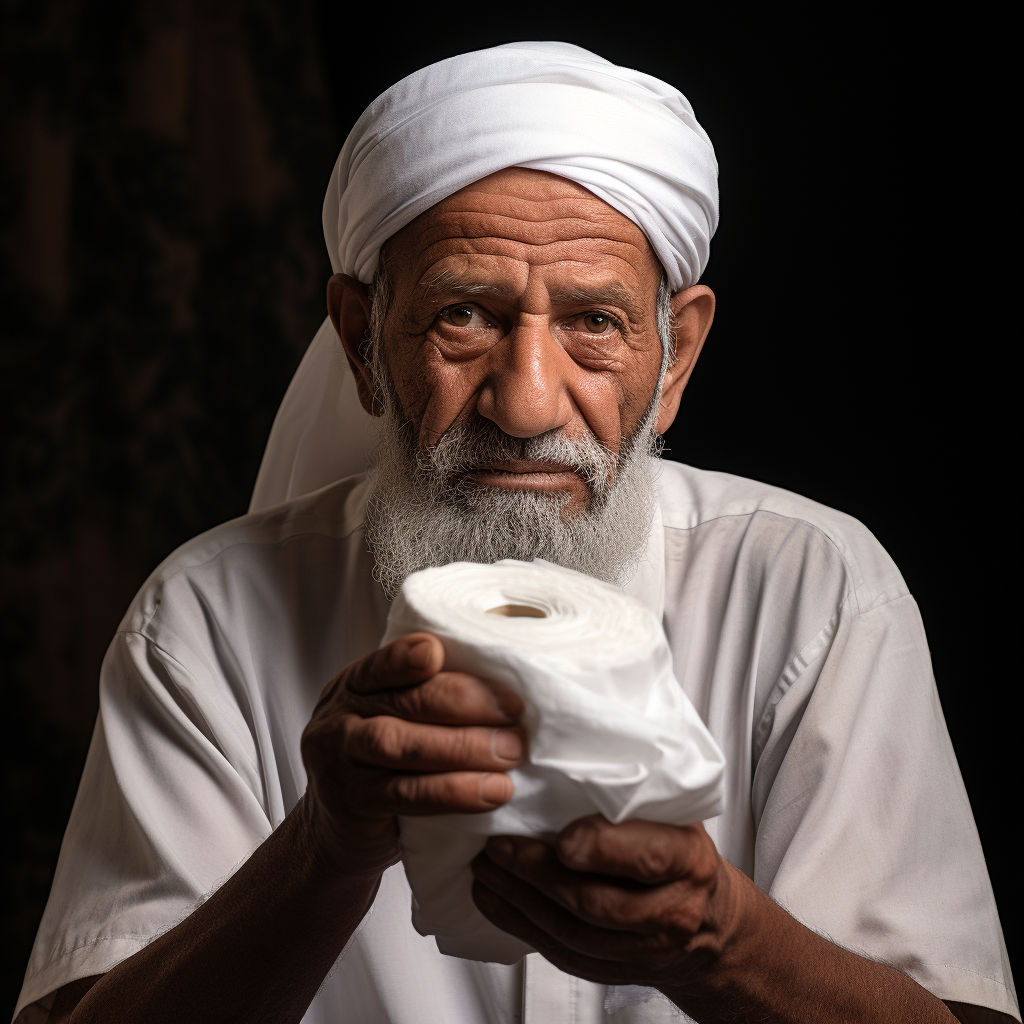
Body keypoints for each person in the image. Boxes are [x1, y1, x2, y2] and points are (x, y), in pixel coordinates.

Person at [13, 42, 1018, 1024]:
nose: (528, 401)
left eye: (593, 323)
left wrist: (720, 938)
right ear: (364, 343)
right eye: (464, 313)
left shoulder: (812, 588)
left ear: (673, 359)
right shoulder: (206, 619)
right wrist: (323, 849)